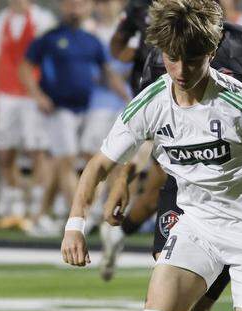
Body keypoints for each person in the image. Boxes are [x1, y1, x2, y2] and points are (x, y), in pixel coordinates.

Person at [61, 1, 242, 311]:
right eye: (172, 58)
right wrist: (75, 224)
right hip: (198, 225)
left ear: (211, 51)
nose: (180, 70)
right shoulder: (151, 101)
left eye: (192, 60)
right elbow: (99, 163)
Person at [20, 0, 129, 236]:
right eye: (71, 5)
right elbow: (26, 67)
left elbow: (108, 73)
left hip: (85, 111)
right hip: (57, 109)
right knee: (67, 160)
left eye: (79, 5)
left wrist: (130, 100)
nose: (75, 10)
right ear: (62, 7)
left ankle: (40, 216)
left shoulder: (90, 40)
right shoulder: (49, 37)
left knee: (63, 163)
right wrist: (37, 96)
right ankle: (81, 217)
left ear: (88, 8)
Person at [0, 0, 56, 219]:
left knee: (36, 149)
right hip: (6, 95)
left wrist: (45, 92)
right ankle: (15, 198)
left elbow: (51, 56)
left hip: (32, 94)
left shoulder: (42, 19)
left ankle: (38, 203)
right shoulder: (0, 21)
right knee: (5, 150)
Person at [80, 0, 132, 235]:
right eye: (100, 2)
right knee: (94, 158)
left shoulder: (129, 28)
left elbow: (134, 63)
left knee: (119, 160)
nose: (104, 6)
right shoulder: (89, 30)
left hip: (127, 103)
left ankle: (106, 211)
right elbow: (92, 70)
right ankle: (90, 212)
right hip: (99, 103)